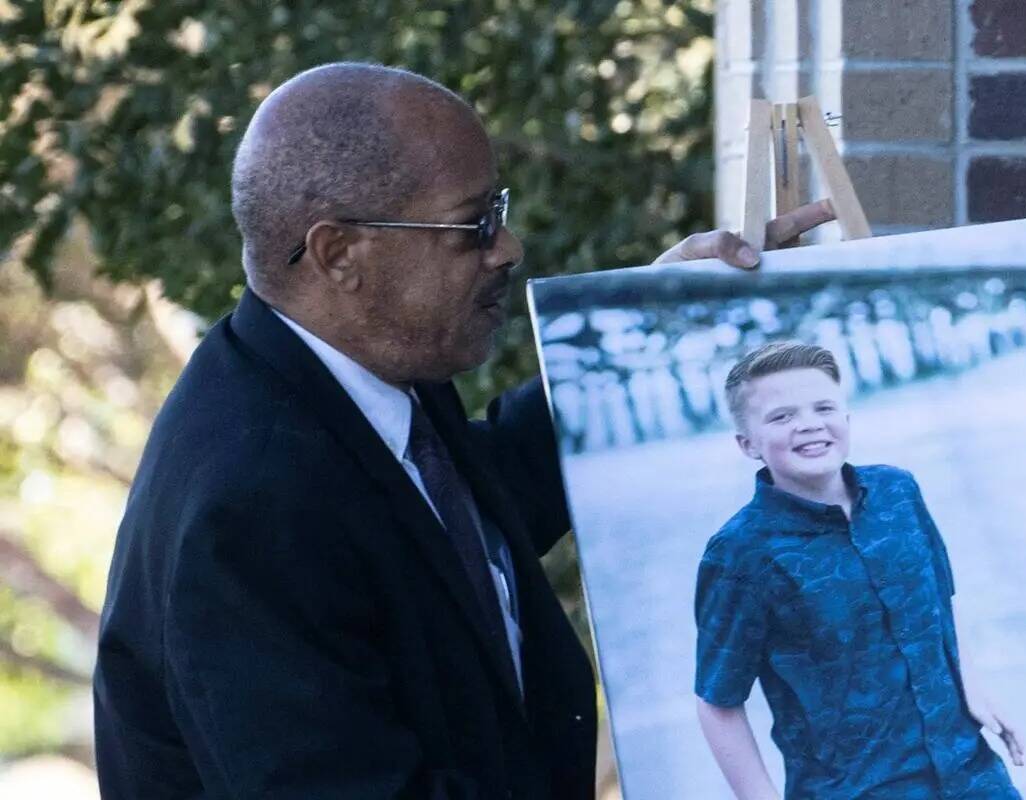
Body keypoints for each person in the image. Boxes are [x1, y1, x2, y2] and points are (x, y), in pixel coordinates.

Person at [92, 62, 834, 799]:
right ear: (340, 254)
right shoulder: (251, 506)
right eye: (472, 224)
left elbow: (456, 514)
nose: (505, 247)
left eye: (498, 210)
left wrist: (655, 319)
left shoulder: (347, 378)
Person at [694, 341, 1025, 800]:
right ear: (747, 444)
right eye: (781, 416)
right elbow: (717, 701)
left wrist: (975, 689)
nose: (808, 423)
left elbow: (940, 605)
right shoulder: (739, 554)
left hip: (969, 771)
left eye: (823, 406)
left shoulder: (898, 492)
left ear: (846, 419)